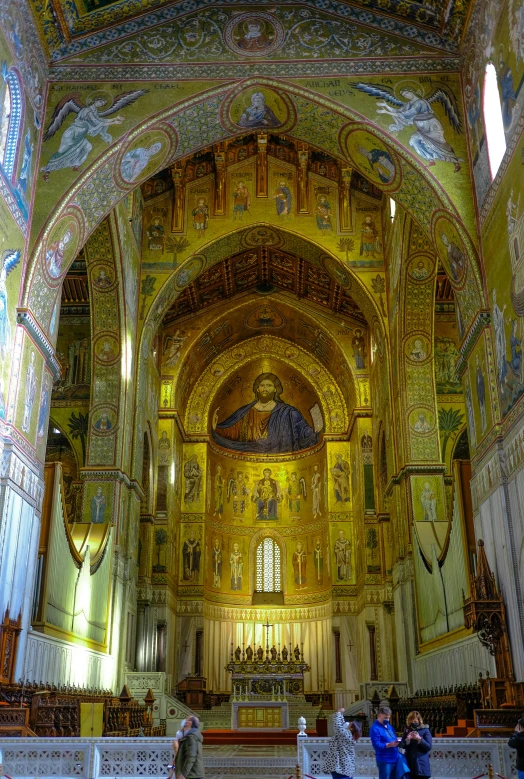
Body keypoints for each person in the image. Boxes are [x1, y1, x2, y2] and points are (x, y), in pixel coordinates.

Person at [323, 708, 360, 779]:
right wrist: (341, 715)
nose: (347, 723)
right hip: (344, 767)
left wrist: (338, 713)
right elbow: (342, 725)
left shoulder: (346, 735)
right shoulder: (348, 735)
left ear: (352, 728)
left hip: (342, 767)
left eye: (350, 723)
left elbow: (337, 727)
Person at [369, 705, 399, 779]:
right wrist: (388, 745)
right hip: (385, 760)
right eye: (385, 718)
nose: (387, 720)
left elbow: (393, 737)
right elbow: (376, 745)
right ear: (379, 715)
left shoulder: (389, 726)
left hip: (394, 758)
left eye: (388, 718)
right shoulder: (375, 728)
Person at [400, 711, 432, 779]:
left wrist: (419, 739)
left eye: (415, 721)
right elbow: (401, 745)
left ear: (419, 720)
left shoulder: (425, 730)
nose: (413, 722)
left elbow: (428, 747)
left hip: (421, 764)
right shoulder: (407, 730)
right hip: (410, 763)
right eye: (411, 721)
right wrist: (408, 739)